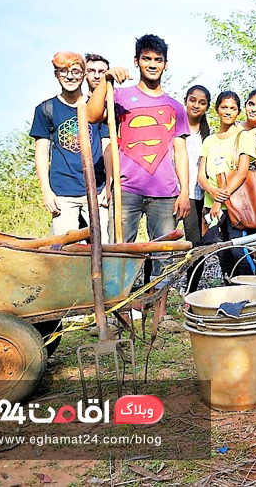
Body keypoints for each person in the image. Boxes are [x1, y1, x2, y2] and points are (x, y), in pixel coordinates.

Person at [87, 34, 190, 322]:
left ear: (166, 65)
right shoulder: (119, 96)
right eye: (147, 58)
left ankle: (159, 312)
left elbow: (179, 151)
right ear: (137, 61)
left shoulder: (174, 107)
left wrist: (183, 192)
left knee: (163, 255)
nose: (152, 64)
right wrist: (106, 80)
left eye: (158, 60)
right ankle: (118, 311)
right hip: (126, 189)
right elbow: (93, 115)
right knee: (120, 252)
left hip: (164, 191)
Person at [30, 51, 111, 241]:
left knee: (105, 246)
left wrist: (109, 185)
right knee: (67, 249)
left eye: (75, 71)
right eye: (63, 71)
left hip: (97, 190)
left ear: (83, 75)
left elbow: (107, 146)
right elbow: (41, 153)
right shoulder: (45, 110)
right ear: (56, 74)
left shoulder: (98, 107)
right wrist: (46, 191)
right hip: (63, 193)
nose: (70, 76)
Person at [197, 91, 255, 279]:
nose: (228, 112)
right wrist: (212, 192)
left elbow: (241, 173)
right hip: (211, 206)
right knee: (221, 254)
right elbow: (202, 176)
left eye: (233, 108)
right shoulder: (209, 140)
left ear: (238, 112)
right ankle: (228, 293)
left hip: (235, 206)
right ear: (217, 109)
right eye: (224, 107)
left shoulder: (243, 137)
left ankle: (248, 292)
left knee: (239, 252)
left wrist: (220, 197)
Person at [181, 85, 211, 291]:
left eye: (202, 102)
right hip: (170, 192)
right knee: (159, 244)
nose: (196, 105)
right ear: (185, 100)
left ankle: (190, 291)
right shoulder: (174, 127)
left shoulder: (207, 136)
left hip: (196, 195)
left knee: (196, 246)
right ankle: (151, 291)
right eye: (193, 100)